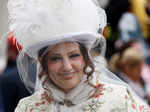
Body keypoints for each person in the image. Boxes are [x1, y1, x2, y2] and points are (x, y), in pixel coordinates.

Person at [6, 0, 150, 111]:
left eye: (74, 55)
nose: (67, 66)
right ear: (42, 62)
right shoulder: (28, 108)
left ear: (85, 58)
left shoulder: (119, 99)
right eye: (55, 58)